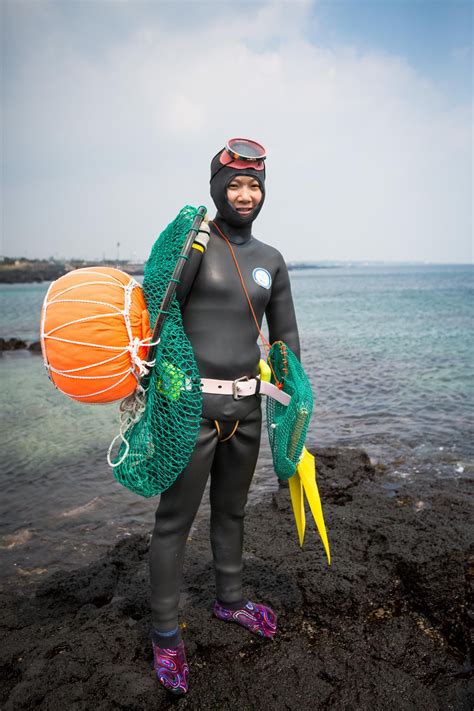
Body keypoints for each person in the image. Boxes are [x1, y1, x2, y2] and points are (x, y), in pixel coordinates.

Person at [149, 138, 300, 695]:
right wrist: (157, 394)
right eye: (234, 184)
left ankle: (230, 600)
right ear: (216, 186)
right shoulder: (196, 244)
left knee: (232, 514)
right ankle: (166, 634)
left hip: (249, 409)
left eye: (254, 185)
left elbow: (285, 342)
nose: (244, 194)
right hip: (191, 410)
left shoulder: (272, 260)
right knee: (174, 522)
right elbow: (158, 315)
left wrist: (297, 405)